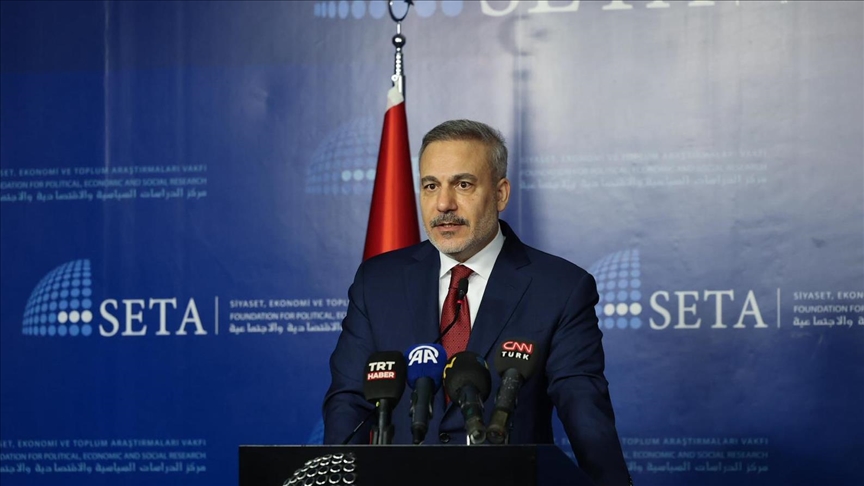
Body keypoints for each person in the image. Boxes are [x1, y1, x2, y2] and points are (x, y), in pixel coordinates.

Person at [323, 119, 631, 486]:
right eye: (431, 185)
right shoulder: (377, 282)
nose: (444, 204)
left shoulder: (560, 288)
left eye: (463, 184)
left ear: (500, 194)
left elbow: (584, 411)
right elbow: (349, 403)